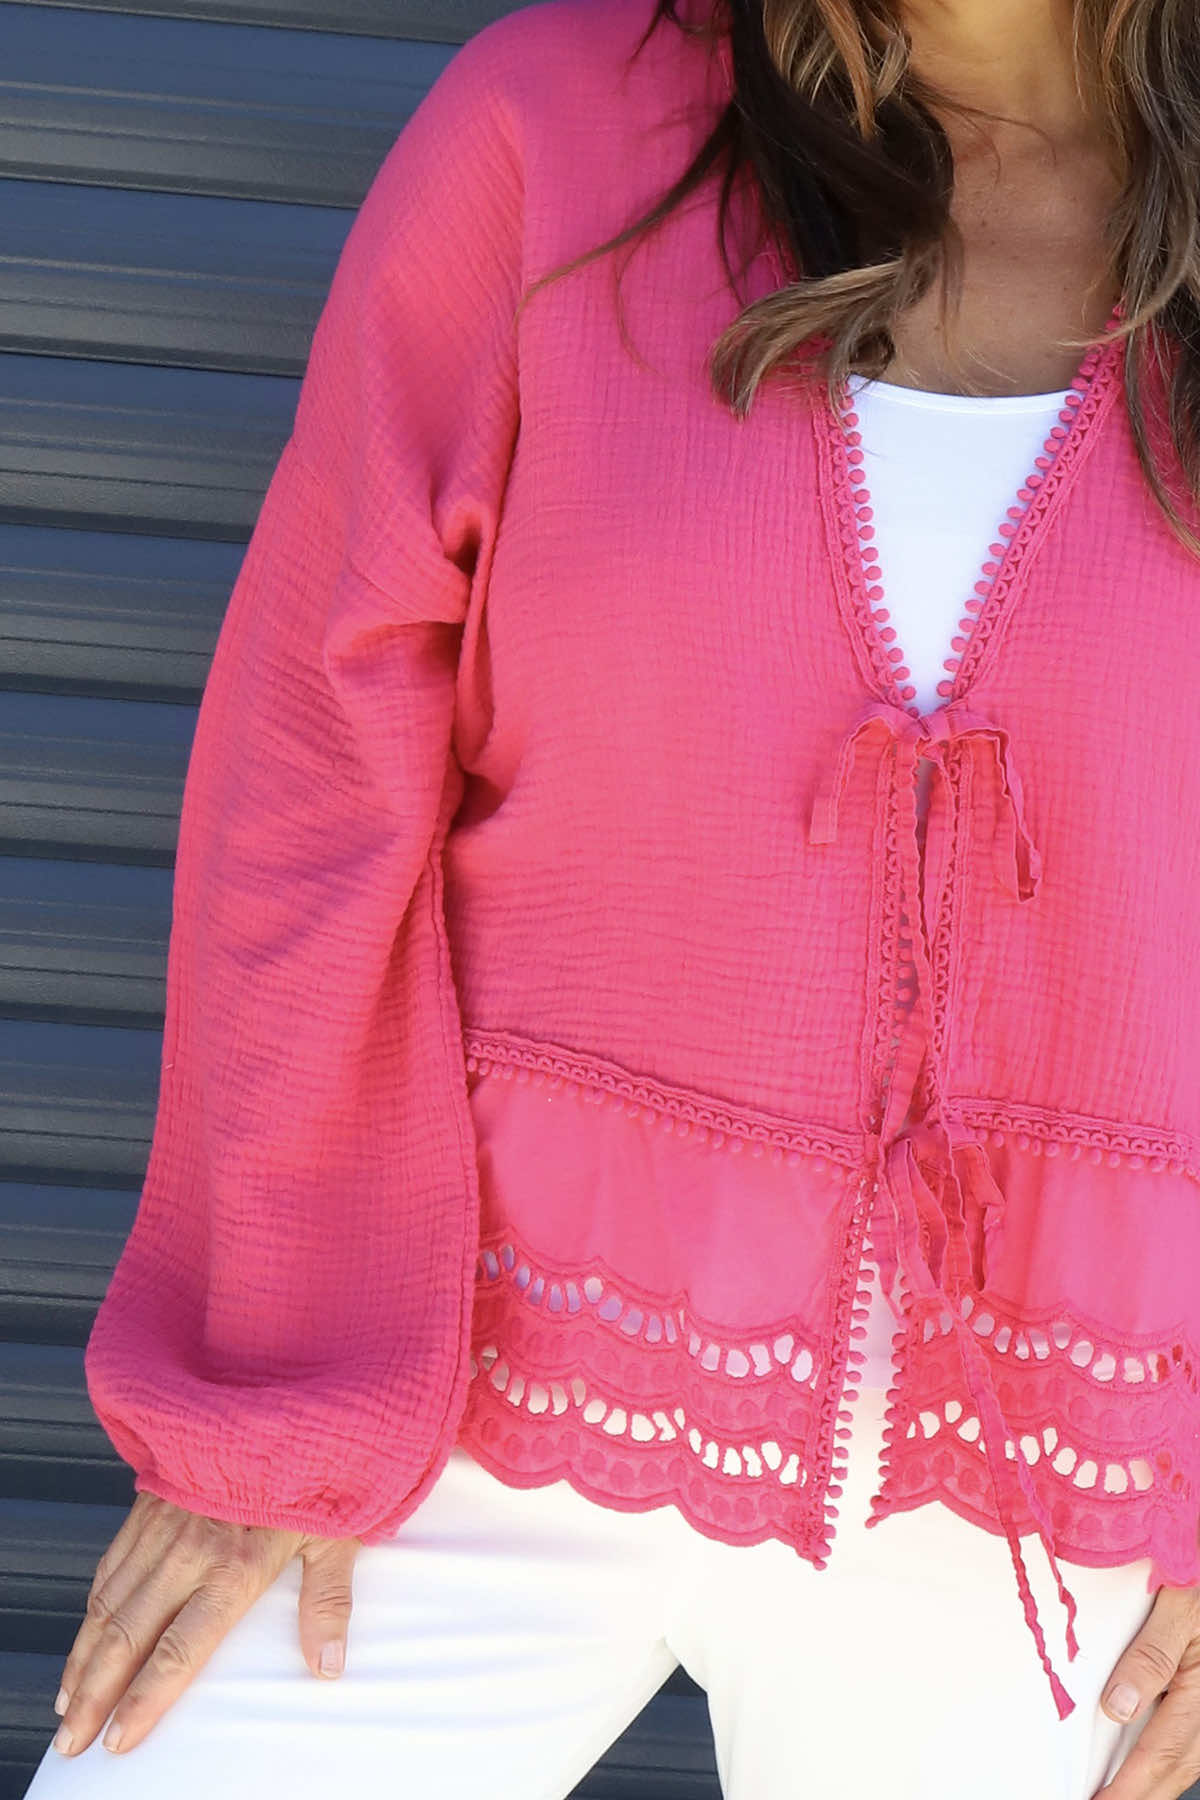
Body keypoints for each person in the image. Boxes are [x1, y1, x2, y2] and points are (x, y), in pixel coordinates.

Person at [22, 0, 1200, 1794]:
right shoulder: (555, 130)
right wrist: (263, 1388)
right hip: (454, 1381)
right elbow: (314, 772)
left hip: (1050, 1477)